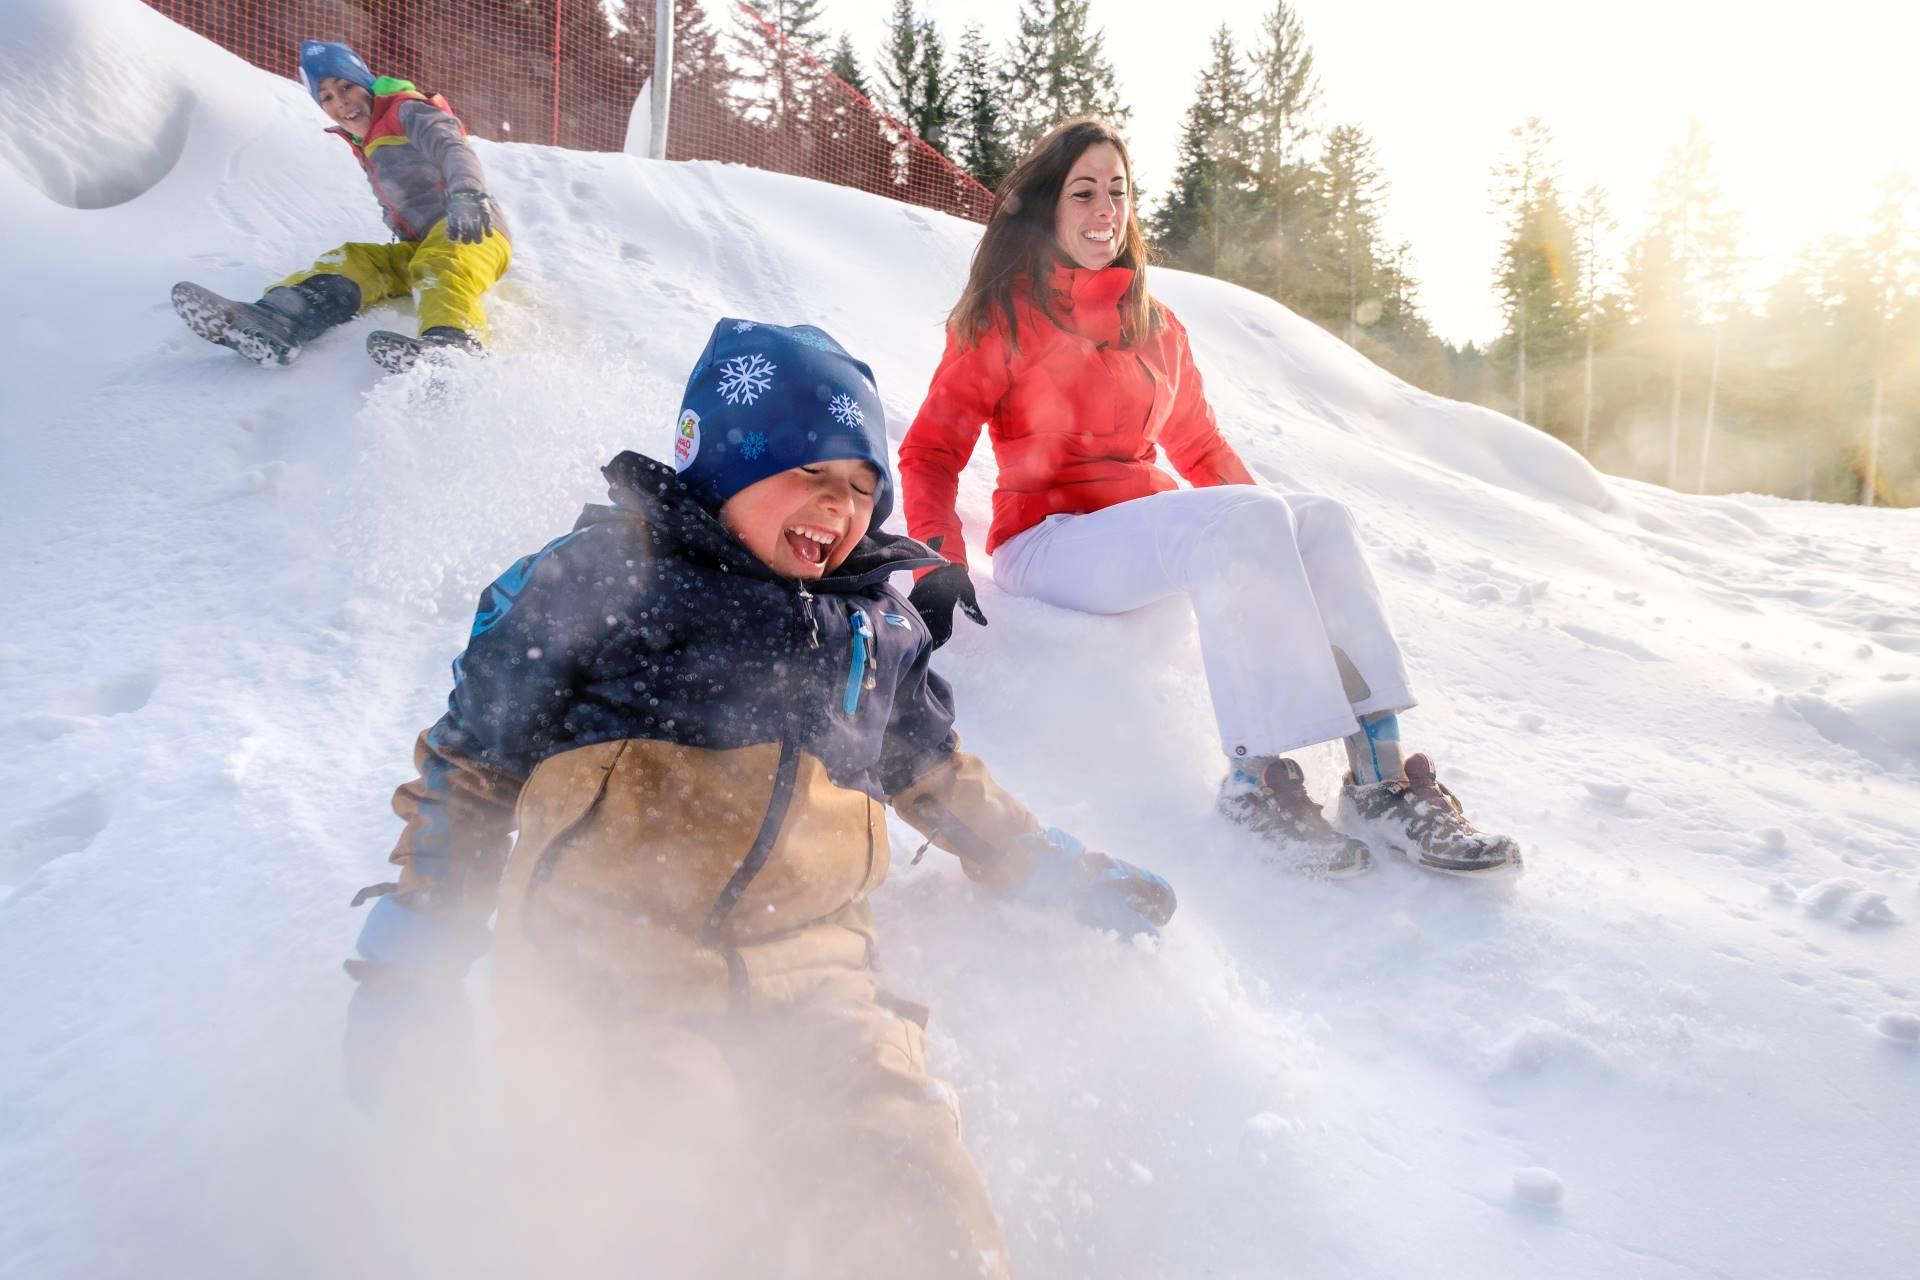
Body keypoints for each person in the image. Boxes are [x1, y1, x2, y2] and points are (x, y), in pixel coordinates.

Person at [342, 318, 1177, 1278]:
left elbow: (936, 775)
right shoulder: (605, 581)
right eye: (809, 475)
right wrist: (412, 955)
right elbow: (475, 764)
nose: (840, 508)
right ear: (726, 465)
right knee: (667, 1184)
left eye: (863, 489)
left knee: (908, 1180)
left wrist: (1043, 865)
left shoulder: (875, 629)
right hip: (610, 973)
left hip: (818, 985)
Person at [897, 117, 1519, 879]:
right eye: (1083, 192)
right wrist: (936, 562)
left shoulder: (1156, 326)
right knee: (1257, 516)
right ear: (1047, 209)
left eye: (1117, 192)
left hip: (1144, 530)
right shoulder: (1005, 321)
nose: (1104, 210)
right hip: (1049, 541)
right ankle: (1256, 780)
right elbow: (931, 451)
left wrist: (1279, 539)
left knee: (1320, 519)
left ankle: (1380, 775)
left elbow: (1200, 449)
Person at [170, 40, 510, 369]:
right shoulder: (368, 138)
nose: (341, 103)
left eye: (346, 87)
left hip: (473, 228)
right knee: (354, 259)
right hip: (419, 247)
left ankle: (454, 348)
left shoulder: (407, 110)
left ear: (366, 85)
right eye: (327, 97)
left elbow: (451, 146)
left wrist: (466, 193)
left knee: (442, 264)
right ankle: (278, 319)